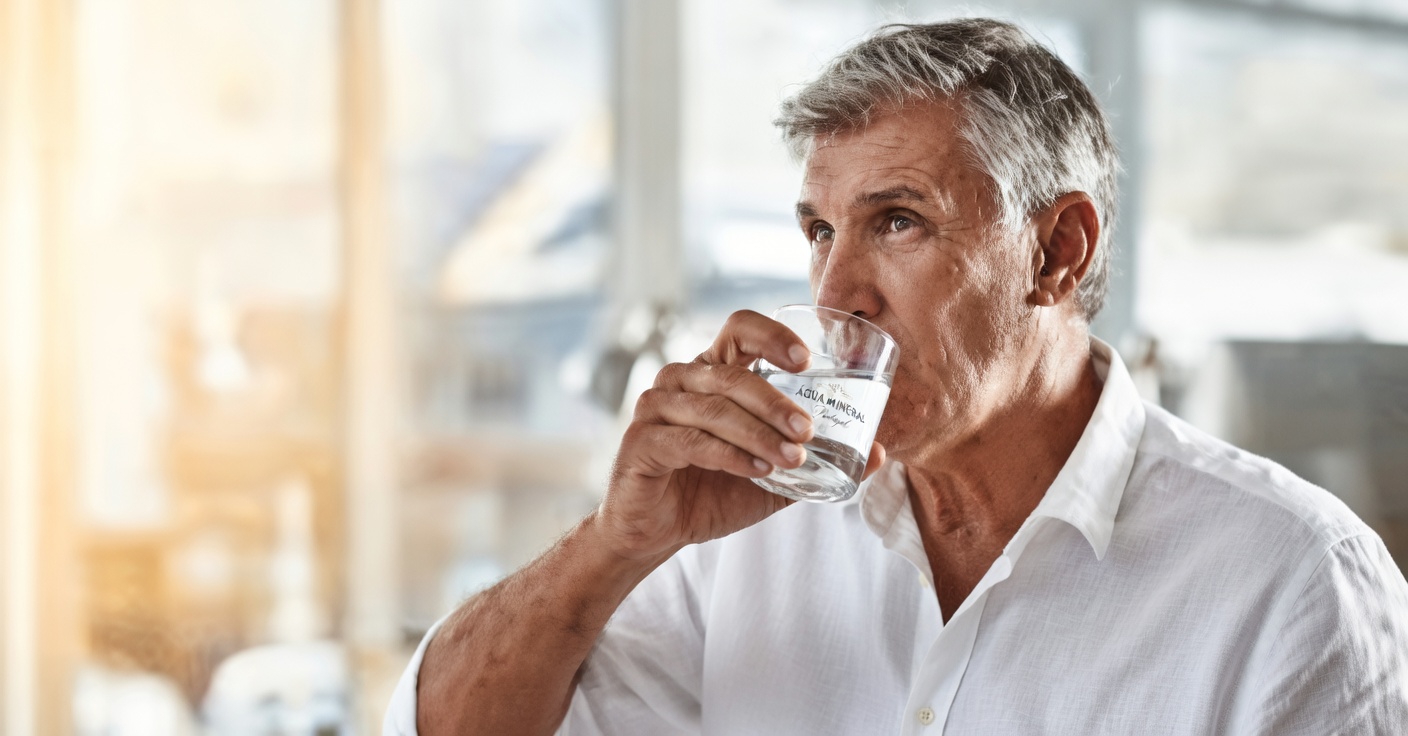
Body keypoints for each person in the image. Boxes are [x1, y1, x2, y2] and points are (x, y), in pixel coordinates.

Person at [386, 19, 1408, 735]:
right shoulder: (740, 531)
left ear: (1056, 252)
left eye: (898, 221)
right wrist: (613, 545)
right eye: (820, 230)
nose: (837, 292)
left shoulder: (1290, 581)